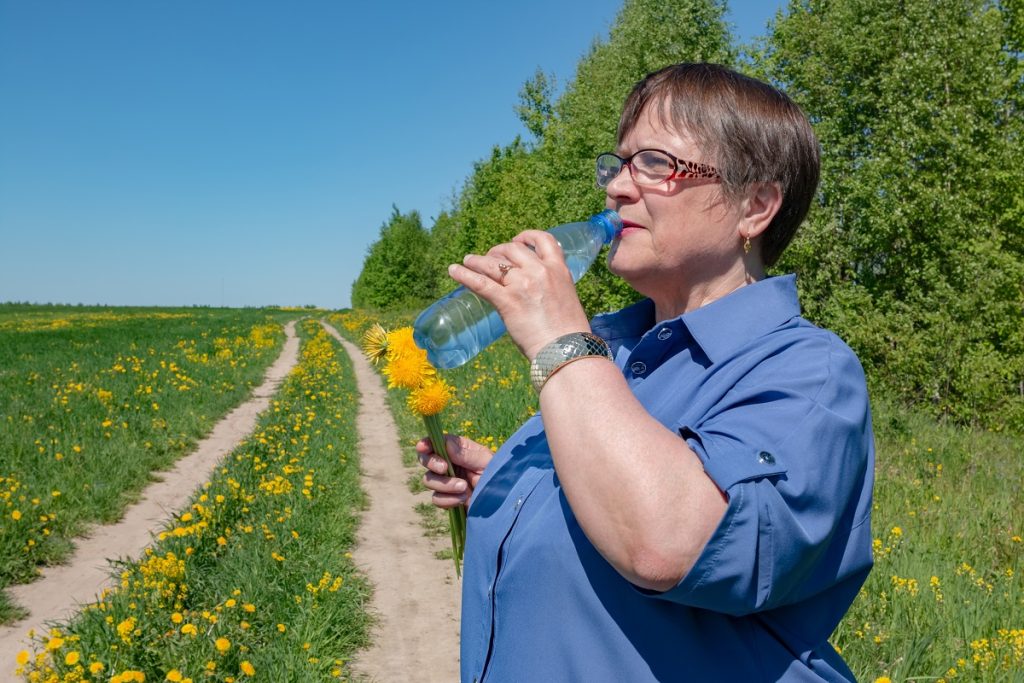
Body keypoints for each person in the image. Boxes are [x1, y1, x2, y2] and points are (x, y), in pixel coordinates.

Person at [417, 62, 874, 682]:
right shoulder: (623, 354)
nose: (619, 188)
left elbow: (668, 542)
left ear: (755, 205)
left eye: (656, 165)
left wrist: (557, 336)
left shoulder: (808, 371)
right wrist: (514, 490)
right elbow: (619, 500)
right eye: (621, 164)